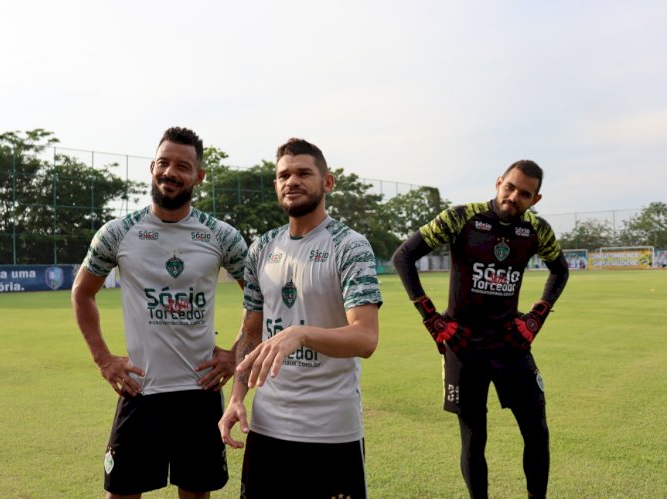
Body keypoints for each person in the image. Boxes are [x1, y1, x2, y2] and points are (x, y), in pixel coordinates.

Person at [71, 127, 248, 499]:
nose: (170, 172)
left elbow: (259, 299)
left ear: (198, 176)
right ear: (152, 167)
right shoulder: (118, 233)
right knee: (120, 494)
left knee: (197, 494)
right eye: (163, 163)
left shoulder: (221, 235)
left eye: (183, 166)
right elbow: (83, 292)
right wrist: (104, 359)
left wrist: (234, 354)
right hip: (141, 390)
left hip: (199, 392)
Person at [392, 160, 569, 499]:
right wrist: (431, 317)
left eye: (524, 194)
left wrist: (536, 317)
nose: (514, 197)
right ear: (499, 182)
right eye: (510, 187)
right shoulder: (461, 218)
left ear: (536, 199)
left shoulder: (536, 230)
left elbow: (559, 271)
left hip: (511, 344)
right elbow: (404, 256)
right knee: (475, 439)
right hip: (464, 345)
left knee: (537, 432)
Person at [218, 138, 382, 498]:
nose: (292, 181)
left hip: (331, 430)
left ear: (327, 182)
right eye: (283, 175)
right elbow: (251, 333)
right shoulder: (261, 249)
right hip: (267, 427)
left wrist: (302, 334)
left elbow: (366, 338)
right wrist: (236, 397)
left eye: (304, 173)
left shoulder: (349, 245)